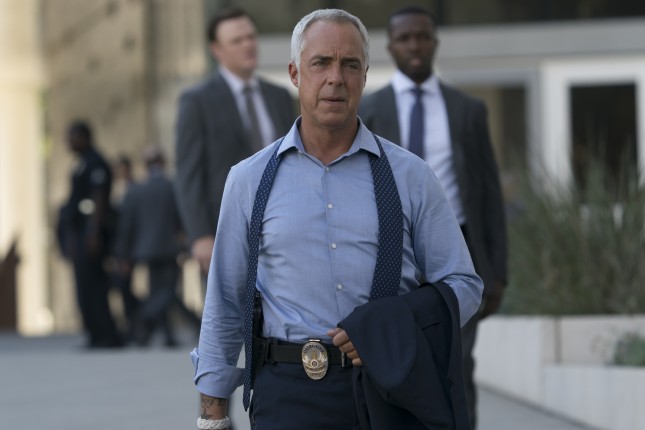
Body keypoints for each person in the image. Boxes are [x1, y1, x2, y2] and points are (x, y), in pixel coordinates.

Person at [191, 9, 483, 430]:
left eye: (349, 64)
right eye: (321, 63)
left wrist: (392, 326)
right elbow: (225, 300)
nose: (335, 78)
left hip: (390, 390)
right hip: (286, 393)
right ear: (295, 74)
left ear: (364, 76)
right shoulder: (248, 179)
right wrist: (212, 417)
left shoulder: (411, 176)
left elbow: (464, 285)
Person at [359, 7, 507, 429]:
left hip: (457, 253)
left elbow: (488, 193)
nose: (414, 45)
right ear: (390, 47)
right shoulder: (369, 109)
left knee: (457, 363)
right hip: (391, 253)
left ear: (435, 42)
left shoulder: (467, 109)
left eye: (422, 37)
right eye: (404, 38)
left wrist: (497, 272)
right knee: (396, 366)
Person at [174, 7, 295, 279]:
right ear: (216, 50)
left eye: (251, 37)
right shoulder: (197, 101)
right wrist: (200, 235)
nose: (248, 45)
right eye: (237, 40)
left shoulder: (279, 96)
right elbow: (188, 173)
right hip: (225, 231)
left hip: (284, 227)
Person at [113, 146, 200, 347]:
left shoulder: (138, 190)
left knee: (161, 293)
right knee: (167, 294)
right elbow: (183, 218)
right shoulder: (172, 187)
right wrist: (188, 244)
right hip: (169, 248)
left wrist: (123, 254)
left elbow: (127, 225)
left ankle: (166, 334)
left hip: (147, 250)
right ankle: (191, 323)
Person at [57, 120, 122, 348]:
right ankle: (94, 333)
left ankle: (106, 335)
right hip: (80, 232)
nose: (69, 142)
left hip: (90, 234)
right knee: (84, 287)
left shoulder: (96, 163)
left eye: (72, 137)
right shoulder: (81, 163)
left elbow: (99, 198)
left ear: (84, 137)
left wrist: (92, 232)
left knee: (95, 286)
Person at [110, 154, 141, 338]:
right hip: (119, 247)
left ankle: (137, 321)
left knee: (125, 286)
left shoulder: (132, 189)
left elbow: (128, 225)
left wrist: (124, 254)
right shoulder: (116, 189)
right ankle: (133, 322)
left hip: (128, 248)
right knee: (122, 287)